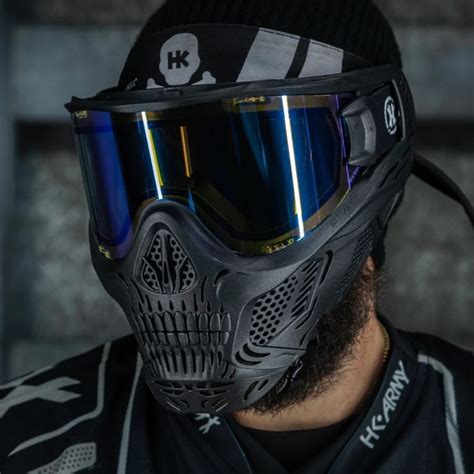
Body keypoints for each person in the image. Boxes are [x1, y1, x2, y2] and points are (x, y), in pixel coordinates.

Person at [1, 0, 473, 473]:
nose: (172, 257)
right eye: (143, 191)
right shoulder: (22, 441)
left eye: (246, 192)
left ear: (376, 180)